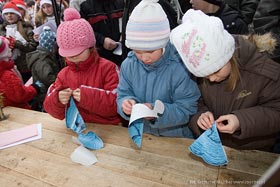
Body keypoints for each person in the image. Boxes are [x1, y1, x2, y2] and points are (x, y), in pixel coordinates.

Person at [170, 9, 280, 151]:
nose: (211, 78)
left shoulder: (262, 71)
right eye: (204, 75)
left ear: (228, 56)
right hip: (214, 148)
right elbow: (193, 102)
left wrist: (241, 121)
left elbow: (276, 111)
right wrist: (200, 117)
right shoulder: (203, 74)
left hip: (253, 151)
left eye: (216, 71)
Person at [117, 0, 201, 138]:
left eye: (150, 51)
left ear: (163, 43)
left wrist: (157, 112)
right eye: (137, 51)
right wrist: (125, 104)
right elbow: (122, 93)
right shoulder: (129, 64)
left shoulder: (180, 67)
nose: (144, 57)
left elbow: (188, 108)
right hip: (143, 135)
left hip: (176, 138)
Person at [43, 8, 123, 125]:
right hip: (78, 128)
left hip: (108, 128)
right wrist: (58, 100)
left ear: (91, 47)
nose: (73, 56)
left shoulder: (108, 68)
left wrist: (88, 97)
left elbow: (117, 104)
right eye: (68, 53)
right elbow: (53, 110)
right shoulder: (63, 75)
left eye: (78, 51)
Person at [0, 36, 42, 109]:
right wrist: (34, 88)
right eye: (8, 48)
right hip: (16, 111)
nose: (10, 49)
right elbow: (20, 95)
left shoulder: (6, 70)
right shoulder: (7, 75)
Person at [0, 2, 38, 83]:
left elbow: (32, 47)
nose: (9, 16)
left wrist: (16, 43)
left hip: (26, 66)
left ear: (18, 15)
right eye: (6, 14)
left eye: (12, 13)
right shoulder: (2, 29)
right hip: (8, 67)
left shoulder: (26, 28)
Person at [79, 0, 124, 66]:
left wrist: (124, 34)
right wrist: (102, 40)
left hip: (121, 54)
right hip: (100, 57)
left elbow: (128, 23)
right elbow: (84, 31)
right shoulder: (85, 7)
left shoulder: (121, 3)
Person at [26, 26, 59, 111]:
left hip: (45, 92)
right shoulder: (42, 59)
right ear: (50, 45)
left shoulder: (45, 56)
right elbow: (47, 78)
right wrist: (60, 81)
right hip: (44, 94)